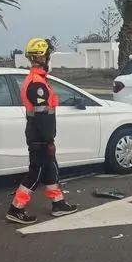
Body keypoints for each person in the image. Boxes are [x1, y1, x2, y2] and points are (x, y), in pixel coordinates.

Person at [6, 37, 79, 224]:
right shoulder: (37, 84)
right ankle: (16, 209)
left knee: (50, 170)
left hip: (39, 134)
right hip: (40, 136)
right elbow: (42, 116)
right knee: (36, 172)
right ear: (42, 57)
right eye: (47, 55)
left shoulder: (38, 80)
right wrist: (49, 140)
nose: (49, 58)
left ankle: (59, 203)